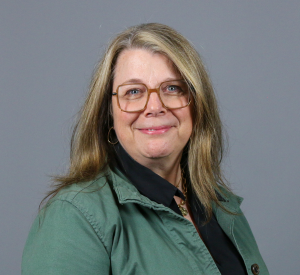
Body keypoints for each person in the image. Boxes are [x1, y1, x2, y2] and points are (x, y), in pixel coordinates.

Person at [22, 23, 269, 275]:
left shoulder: (220, 203)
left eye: (172, 88)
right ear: (109, 112)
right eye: (134, 91)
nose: (154, 106)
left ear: (197, 103)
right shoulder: (74, 218)